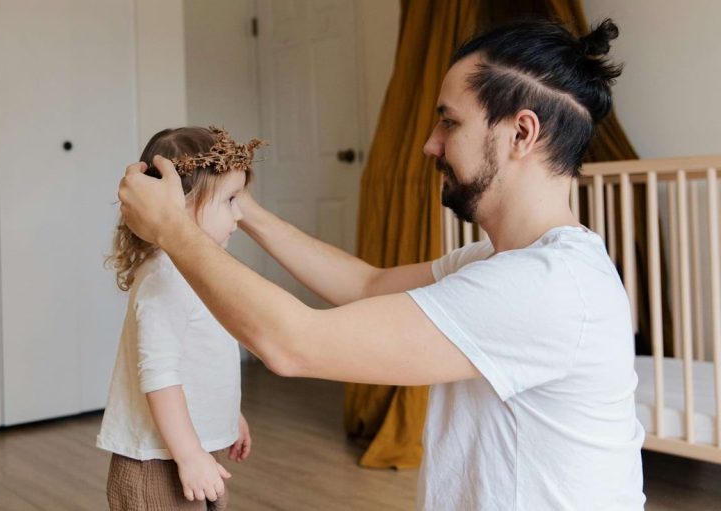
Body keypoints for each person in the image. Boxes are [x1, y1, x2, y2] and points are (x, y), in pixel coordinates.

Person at [118, 19, 645, 511]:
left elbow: (293, 344)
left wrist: (174, 230)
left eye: (449, 121)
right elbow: (366, 283)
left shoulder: (541, 288)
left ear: (521, 134)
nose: (429, 144)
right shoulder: (499, 262)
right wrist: (241, 209)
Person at [98, 126, 259, 510]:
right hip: (157, 461)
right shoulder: (164, 278)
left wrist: (227, 413)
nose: (239, 215)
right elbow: (160, 374)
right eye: (230, 200)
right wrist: (189, 456)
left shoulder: (198, 271)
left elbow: (203, 357)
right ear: (179, 206)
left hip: (191, 449)